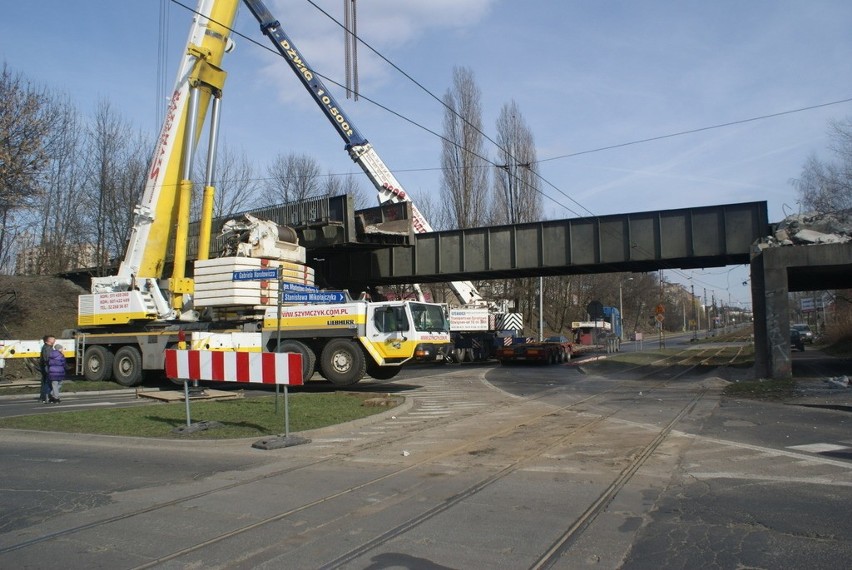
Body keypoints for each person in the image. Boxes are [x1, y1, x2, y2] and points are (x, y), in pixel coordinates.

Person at [39, 335, 55, 404]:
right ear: (48, 341)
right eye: (53, 339)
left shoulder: (47, 347)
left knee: (46, 382)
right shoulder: (47, 348)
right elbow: (48, 359)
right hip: (48, 367)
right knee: (48, 382)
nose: (54, 340)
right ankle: (46, 396)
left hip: (47, 367)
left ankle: (44, 396)